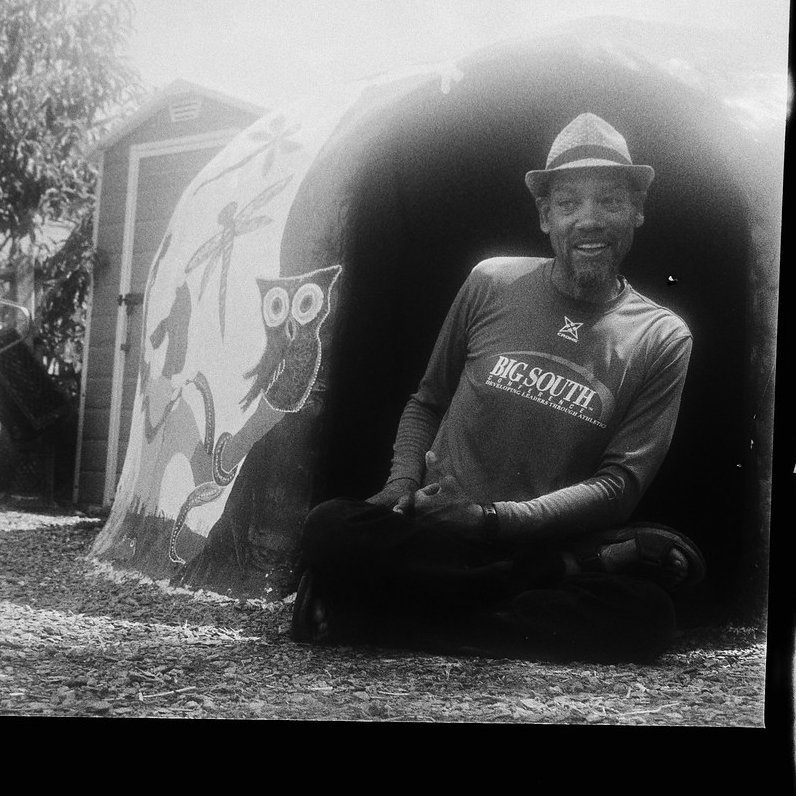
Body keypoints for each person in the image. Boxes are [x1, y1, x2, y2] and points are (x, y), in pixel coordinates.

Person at [291, 112, 705, 664]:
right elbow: (428, 400)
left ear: (637, 211)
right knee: (330, 527)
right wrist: (401, 483)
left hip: (534, 541)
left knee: (647, 615)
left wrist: (493, 520)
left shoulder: (662, 336)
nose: (589, 220)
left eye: (609, 201)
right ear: (545, 216)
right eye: (568, 203)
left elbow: (619, 486)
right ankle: (549, 581)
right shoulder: (492, 281)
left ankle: (371, 619)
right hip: (440, 530)